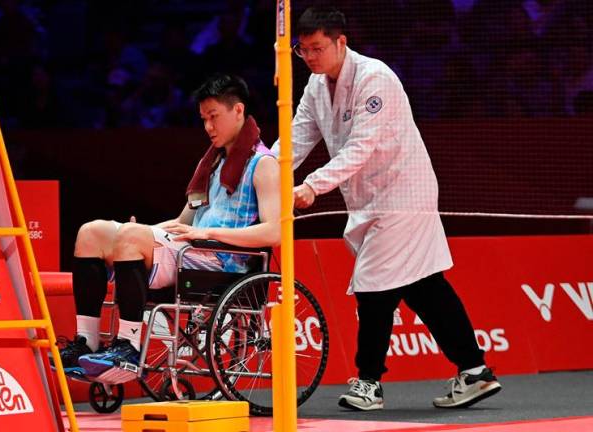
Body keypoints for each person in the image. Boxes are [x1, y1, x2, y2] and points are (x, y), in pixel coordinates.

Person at [272, 7, 501, 410]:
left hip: (402, 197)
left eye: (317, 48)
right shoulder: (315, 84)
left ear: (340, 42)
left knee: (373, 286)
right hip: (369, 200)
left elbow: (362, 145)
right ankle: (474, 370)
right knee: (424, 287)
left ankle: (368, 382)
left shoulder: (375, 78)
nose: (308, 56)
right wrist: (265, 170)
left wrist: (312, 186)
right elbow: (298, 135)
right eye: (302, 49)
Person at [57, 74, 280, 379]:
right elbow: (181, 223)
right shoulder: (212, 165)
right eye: (203, 119)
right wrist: (133, 232)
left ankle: (129, 347)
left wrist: (208, 233)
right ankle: (87, 341)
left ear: (238, 110)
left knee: (131, 236)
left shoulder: (263, 164)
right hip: (192, 251)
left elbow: (274, 232)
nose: (208, 128)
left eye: (214, 117)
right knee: (90, 232)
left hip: (222, 262)